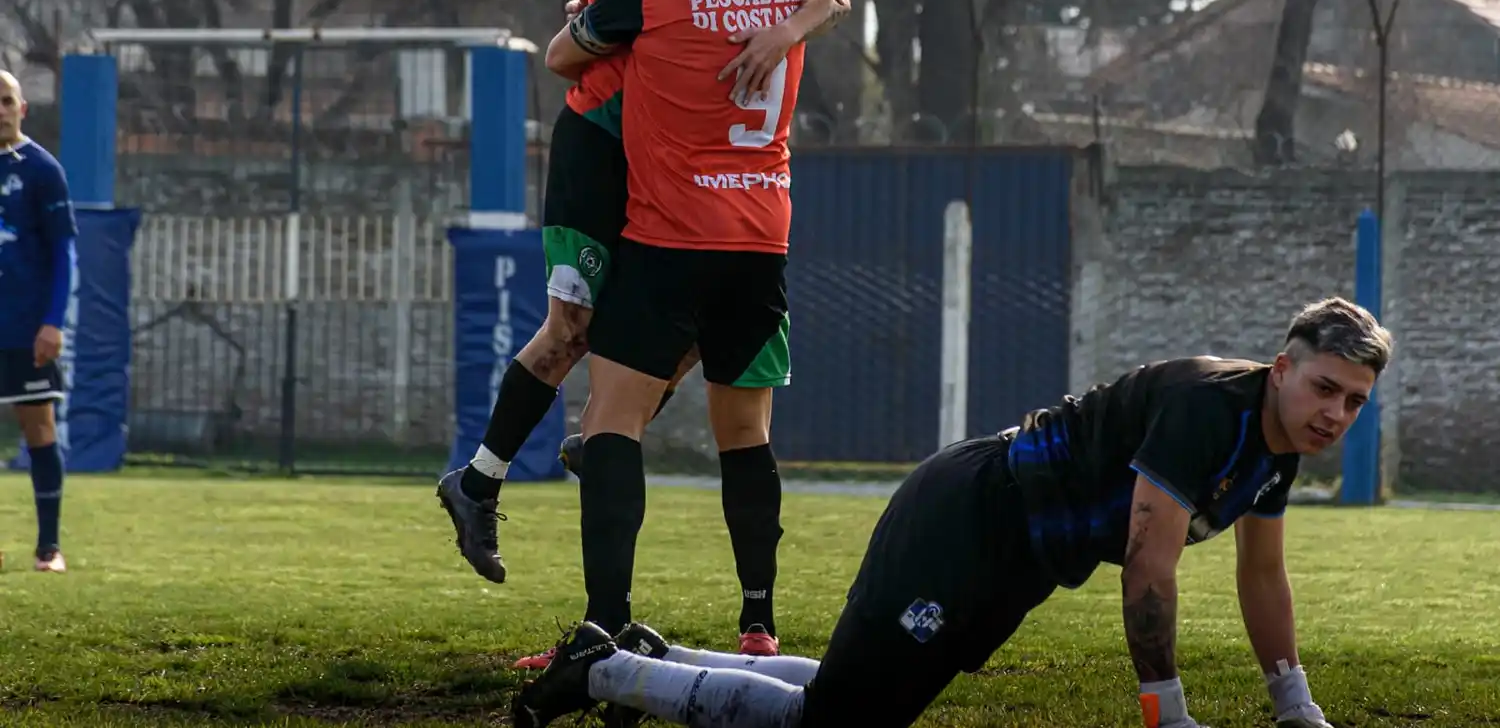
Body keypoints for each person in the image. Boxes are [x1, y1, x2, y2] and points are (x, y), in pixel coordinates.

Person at [512, 297, 1391, 728]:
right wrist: (1166, 711)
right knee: (839, 726)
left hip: (1016, 556)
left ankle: (653, 657)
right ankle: (602, 671)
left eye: (1353, 402)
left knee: (863, 705)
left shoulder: (1279, 449)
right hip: (969, 517)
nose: (1334, 415)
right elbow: (1150, 566)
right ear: (1281, 367)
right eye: (1325, 388)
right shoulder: (1211, 406)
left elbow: (1263, 574)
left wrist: (1296, 708)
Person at [436, 0, 846, 649]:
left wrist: (790, 17)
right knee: (573, 329)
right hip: (604, 142)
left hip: (681, 165)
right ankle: (480, 480)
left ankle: (608, 469)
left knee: (674, 339)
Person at [0, 70, 77, 574]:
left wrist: (53, 322)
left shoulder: (42, 169)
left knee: (38, 427)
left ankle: (48, 548)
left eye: (6, 100)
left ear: (22, 108)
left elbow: (64, 250)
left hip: (26, 328)